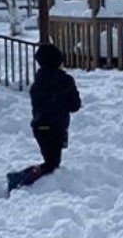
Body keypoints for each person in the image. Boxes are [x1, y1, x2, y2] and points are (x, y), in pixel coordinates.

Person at [17, 43, 81, 187]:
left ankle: (29, 178)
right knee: (52, 164)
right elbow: (75, 105)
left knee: (51, 161)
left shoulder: (38, 82)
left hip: (39, 127)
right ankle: (22, 179)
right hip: (56, 127)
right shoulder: (65, 81)